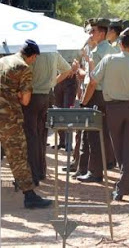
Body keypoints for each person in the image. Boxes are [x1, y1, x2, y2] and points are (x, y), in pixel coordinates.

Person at [0, 39, 52, 209]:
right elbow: (26, 100)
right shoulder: (23, 67)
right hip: (9, 119)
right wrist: (19, 94)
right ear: (32, 56)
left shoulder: (1, 61)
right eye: (34, 58)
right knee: (18, 156)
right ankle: (29, 196)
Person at [86, 28, 129, 201]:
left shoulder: (108, 59)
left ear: (120, 44)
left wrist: (91, 66)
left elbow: (93, 80)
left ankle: (122, 188)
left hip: (113, 109)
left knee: (120, 149)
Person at [24, 52, 77, 185]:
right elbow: (67, 69)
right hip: (47, 95)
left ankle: (33, 174)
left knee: (31, 136)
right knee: (42, 135)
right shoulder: (53, 52)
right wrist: (51, 83)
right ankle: (40, 171)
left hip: (32, 96)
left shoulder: (30, 53)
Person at [77, 18, 116, 183]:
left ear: (102, 32)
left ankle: (94, 172)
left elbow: (93, 80)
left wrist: (84, 101)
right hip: (108, 95)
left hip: (97, 95)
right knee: (103, 135)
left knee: (92, 135)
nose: (90, 34)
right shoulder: (112, 50)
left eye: (93, 31)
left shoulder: (97, 51)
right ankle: (97, 167)